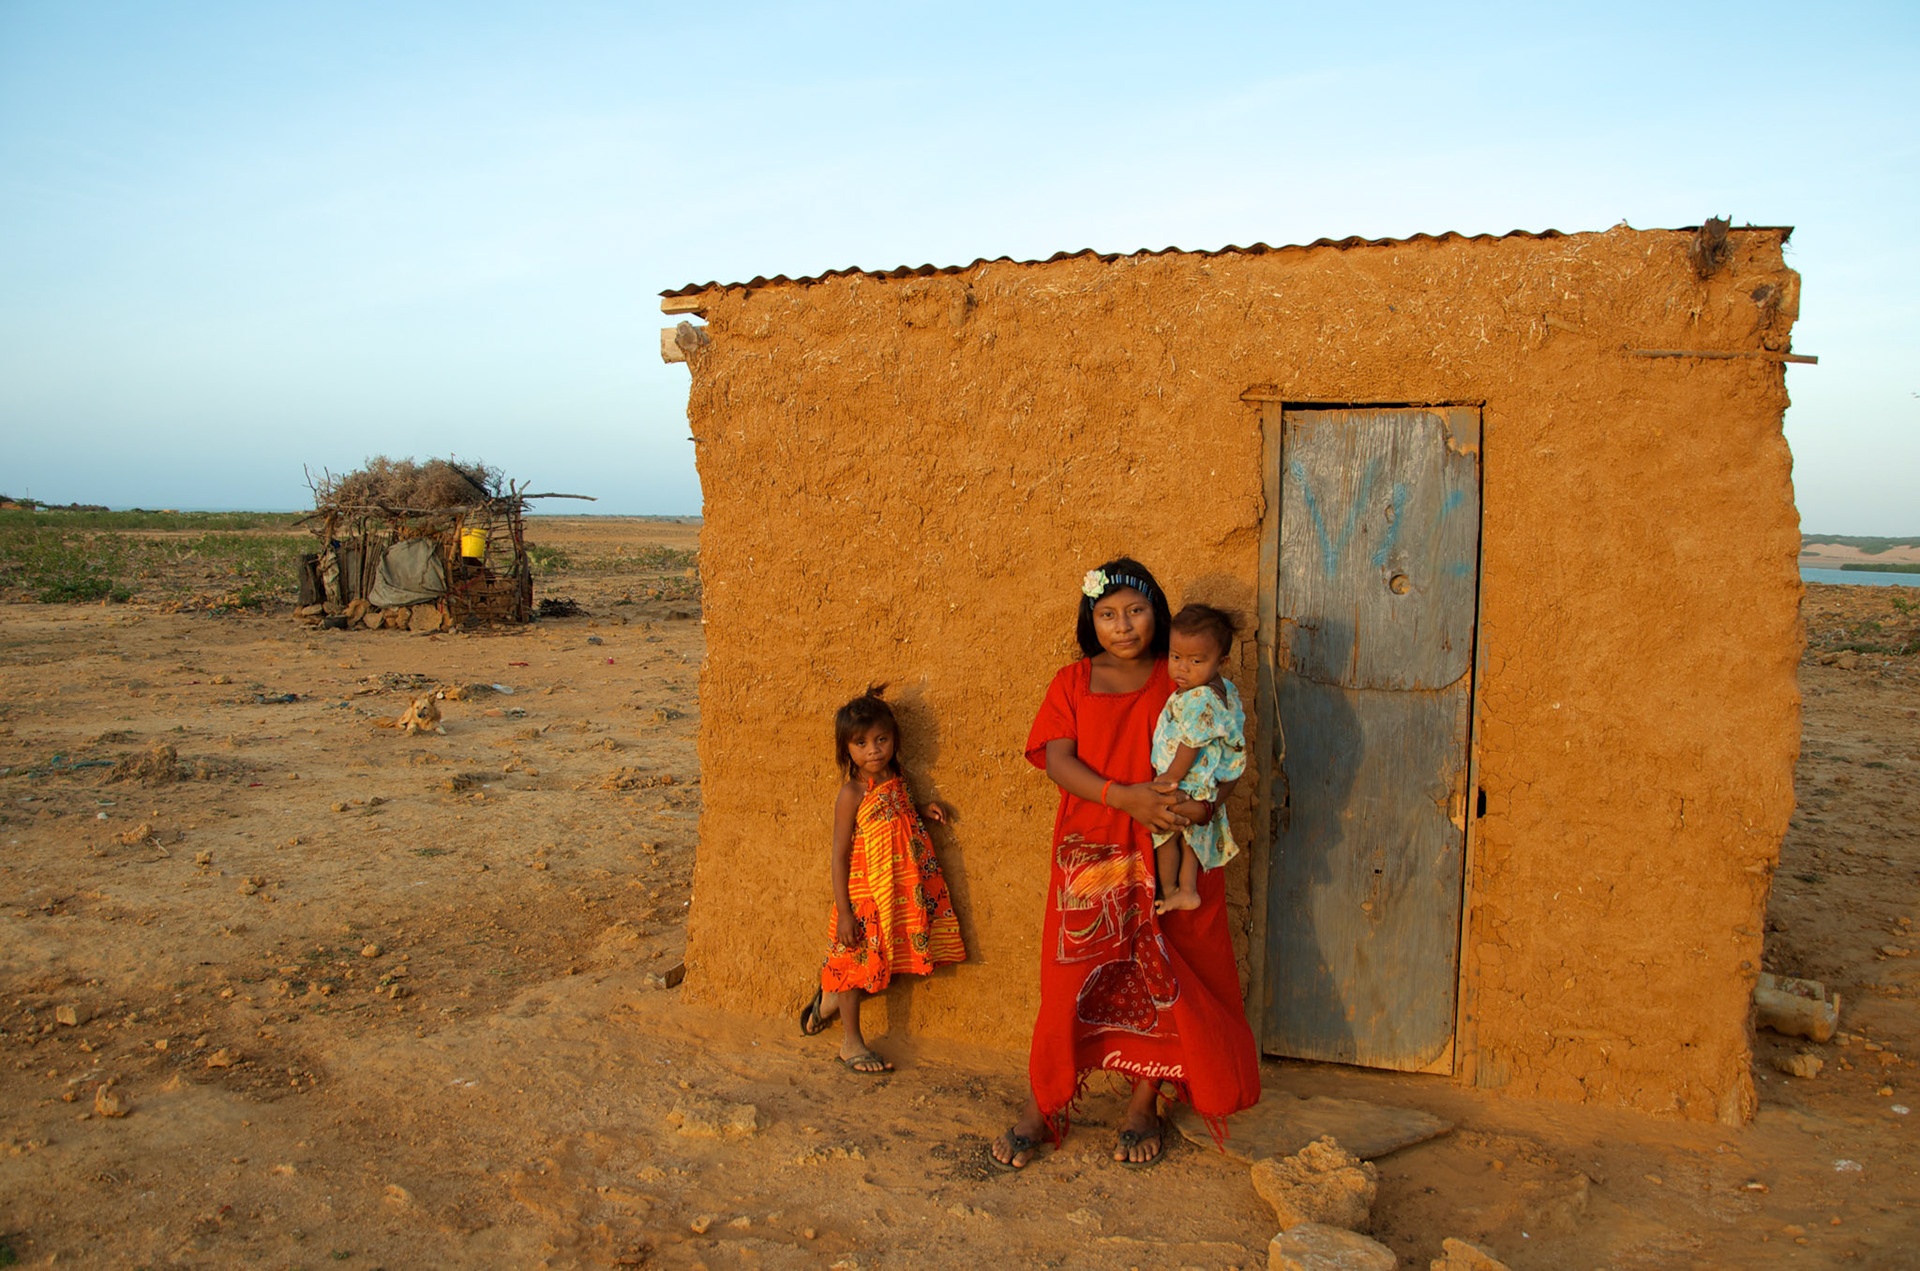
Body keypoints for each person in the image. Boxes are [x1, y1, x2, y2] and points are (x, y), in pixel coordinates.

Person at [991, 559, 1261, 1171]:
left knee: (1168, 971)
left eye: (1136, 611)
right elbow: (1057, 759)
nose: (1123, 625)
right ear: (1091, 619)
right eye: (1108, 614)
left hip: (1171, 849)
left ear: (1157, 613)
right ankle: (1047, 1101)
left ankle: (1145, 1102)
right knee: (1071, 976)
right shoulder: (1073, 680)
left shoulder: (1185, 681)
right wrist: (1123, 795)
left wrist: (1201, 805)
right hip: (1092, 850)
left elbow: (1224, 753)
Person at [798, 684, 966, 1073]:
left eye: (881, 739)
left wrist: (923, 809)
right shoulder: (851, 793)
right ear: (847, 750)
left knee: (875, 958)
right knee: (855, 960)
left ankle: (825, 1002)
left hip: (900, 886)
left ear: (894, 740)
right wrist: (844, 911)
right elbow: (839, 854)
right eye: (861, 743)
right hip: (865, 889)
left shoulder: (895, 776)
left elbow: (897, 810)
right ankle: (851, 1043)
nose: (873, 749)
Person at [1150, 604, 1247, 915]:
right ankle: (1188, 889)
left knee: (1164, 834)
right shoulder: (1223, 689)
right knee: (1191, 837)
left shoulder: (1199, 696)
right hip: (1206, 783)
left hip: (1187, 779)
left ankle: (1169, 889)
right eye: (1176, 657)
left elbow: (1191, 742)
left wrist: (1170, 777)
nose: (1182, 668)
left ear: (1222, 661)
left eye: (1196, 661)